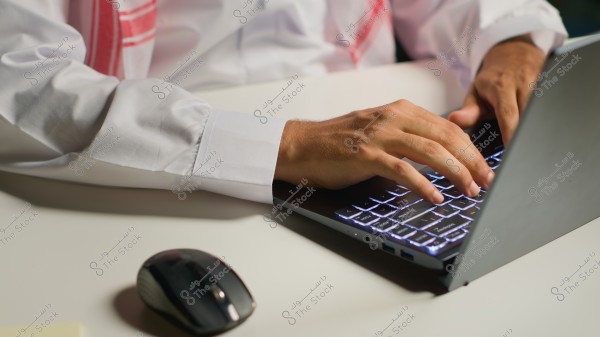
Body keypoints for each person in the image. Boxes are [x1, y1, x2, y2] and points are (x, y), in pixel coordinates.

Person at [0, 0, 567, 205]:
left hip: (389, 135)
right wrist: (285, 145)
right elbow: (22, 81)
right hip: (175, 163)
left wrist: (510, 37)